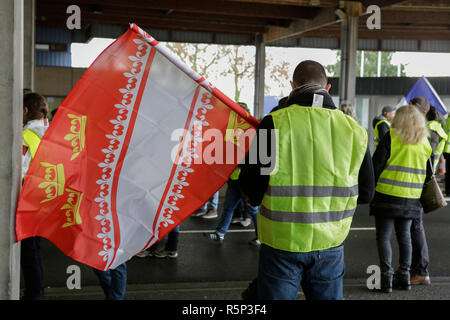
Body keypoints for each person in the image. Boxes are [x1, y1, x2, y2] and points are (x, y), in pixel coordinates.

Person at [239, 60, 374, 300]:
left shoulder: (273, 122)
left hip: (282, 241)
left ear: (292, 85)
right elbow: (366, 192)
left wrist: (252, 197)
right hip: (331, 242)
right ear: (328, 87)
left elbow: (252, 183)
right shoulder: (355, 130)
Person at [370, 105, 433, 293]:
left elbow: (376, 166)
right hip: (411, 198)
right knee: (405, 237)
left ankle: (386, 279)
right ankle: (404, 277)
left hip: (386, 196)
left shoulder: (391, 137)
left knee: (383, 237)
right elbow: (428, 174)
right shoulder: (425, 143)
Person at [20, 92, 50, 300]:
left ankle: (34, 292)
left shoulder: (26, 135)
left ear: (25, 110)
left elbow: (19, 171)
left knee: (27, 250)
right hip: (44, 197)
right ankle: (36, 290)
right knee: (34, 248)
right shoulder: (49, 133)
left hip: (28, 197)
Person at [408, 97, 440, 285]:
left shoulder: (428, 132)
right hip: (415, 183)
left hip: (419, 185)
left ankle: (420, 270)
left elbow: (427, 160)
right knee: (412, 229)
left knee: (415, 228)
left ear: (422, 112)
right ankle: (416, 269)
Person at [203, 167, 259, 246]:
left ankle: (261, 237)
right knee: (228, 208)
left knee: (253, 210)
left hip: (246, 181)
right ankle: (219, 234)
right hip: (234, 181)